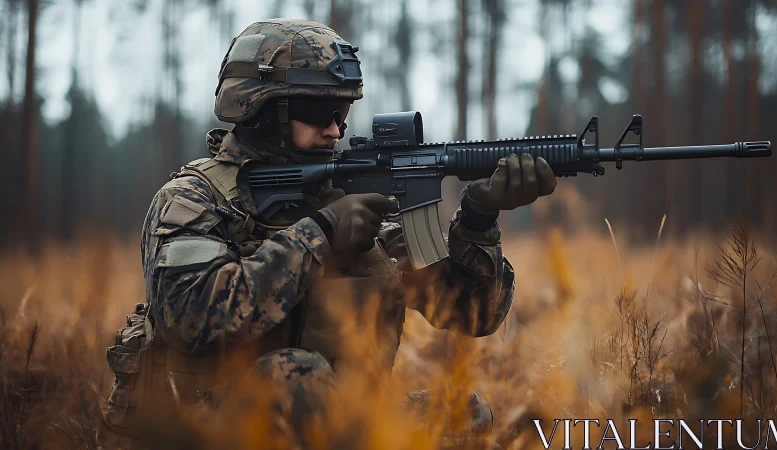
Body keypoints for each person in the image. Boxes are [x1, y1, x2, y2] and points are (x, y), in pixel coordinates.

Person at [103, 18, 557, 443]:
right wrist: (319, 235)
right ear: (261, 110)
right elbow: (189, 317)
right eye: (318, 111)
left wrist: (477, 218)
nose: (335, 130)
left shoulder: (349, 197)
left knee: (467, 417)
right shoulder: (195, 199)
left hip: (339, 425)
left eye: (341, 112)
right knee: (295, 379)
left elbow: (471, 316)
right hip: (207, 428)